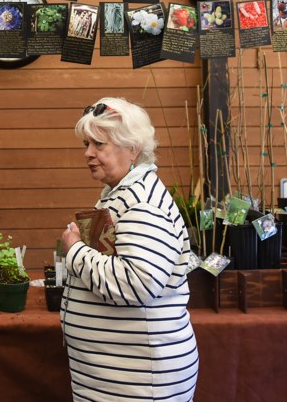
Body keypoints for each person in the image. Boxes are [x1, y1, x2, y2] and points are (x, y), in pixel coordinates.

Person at [59, 97, 198, 402]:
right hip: (124, 379)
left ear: (132, 148)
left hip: (140, 383)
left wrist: (75, 251)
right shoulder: (123, 193)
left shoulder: (143, 203)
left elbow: (137, 285)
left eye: (99, 144)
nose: (88, 153)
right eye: (87, 143)